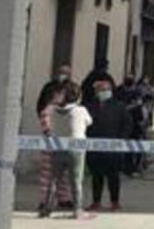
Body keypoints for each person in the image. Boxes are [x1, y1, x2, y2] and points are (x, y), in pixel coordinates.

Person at [39, 81, 92, 219]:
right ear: (77, 96)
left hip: (57, 147)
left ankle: (47, 208)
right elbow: (89, 122)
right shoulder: (81, 110)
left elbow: (47, 120)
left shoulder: (52, 110)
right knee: (75, 180)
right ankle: (77, 209)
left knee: (54, 180)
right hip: (76, 149)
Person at [85, 80, 132, 212]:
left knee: (113, 176)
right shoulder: (89, 107)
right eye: (101, 90)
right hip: (95, 147)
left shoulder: (119, 106)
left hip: (114, 148)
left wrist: (121, 140)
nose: (104, 92)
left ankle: (115, 202)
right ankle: (96, 201)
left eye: (106, 89)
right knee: (96, 176)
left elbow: (127, 124)